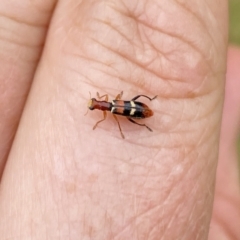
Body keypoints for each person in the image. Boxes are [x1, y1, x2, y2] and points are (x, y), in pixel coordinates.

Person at [0, 1, 239, 239]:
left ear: (100, 104)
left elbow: (114, 116)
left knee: (134, 112)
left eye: (95, 104)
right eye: (95, 105)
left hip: (137, 108)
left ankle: (145, 117)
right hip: (134, 108)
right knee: (133, 112)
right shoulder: (111, 106)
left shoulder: (112, 109)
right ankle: (144, 118)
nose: (96, 105)